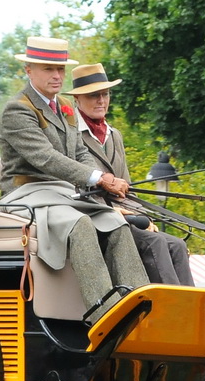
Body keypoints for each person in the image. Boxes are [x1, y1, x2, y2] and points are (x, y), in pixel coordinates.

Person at [0, 39, 149, 320]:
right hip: (27, 193)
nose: (56, 76)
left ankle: (139, 304)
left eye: (60, 69)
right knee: (79, 224)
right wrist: (99, 177)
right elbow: (45, 158)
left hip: (63, 194)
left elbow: (80, 152)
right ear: (29, 71)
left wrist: (98, 179)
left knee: (115, 222)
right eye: (48, 69)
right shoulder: (17, 109)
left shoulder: (65, 106)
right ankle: (104, 312)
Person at [66, 62, 194, 287]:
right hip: (95, 219)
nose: (101, 101)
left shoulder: (114, 135)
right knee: (154, 242)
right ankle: (173, 310)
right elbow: (71, 187)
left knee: (177, 245)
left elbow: (127, 189)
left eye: (105, 94)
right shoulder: (70, 135)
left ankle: (194, 313)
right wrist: (117, 211)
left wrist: (146, 216)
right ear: (77, 99)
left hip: (126, 218)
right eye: (93, 95)